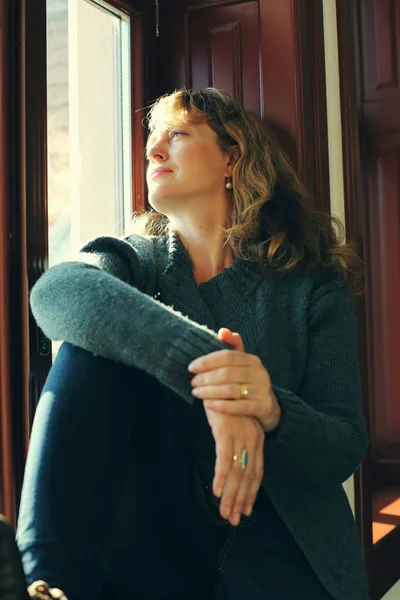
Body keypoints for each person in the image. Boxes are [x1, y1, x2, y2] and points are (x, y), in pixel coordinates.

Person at [16, 88, 369, 600]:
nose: (155, 151)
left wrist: (266, 406)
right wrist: (214, 369)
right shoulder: (133, 262)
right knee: (89, 339)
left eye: (176, 135)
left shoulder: (311, 282)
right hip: (156, 545)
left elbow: (342, 446)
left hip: (284, 552)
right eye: (150, 144)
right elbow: (55, 292)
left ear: (233, 156)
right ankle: (45, 583)